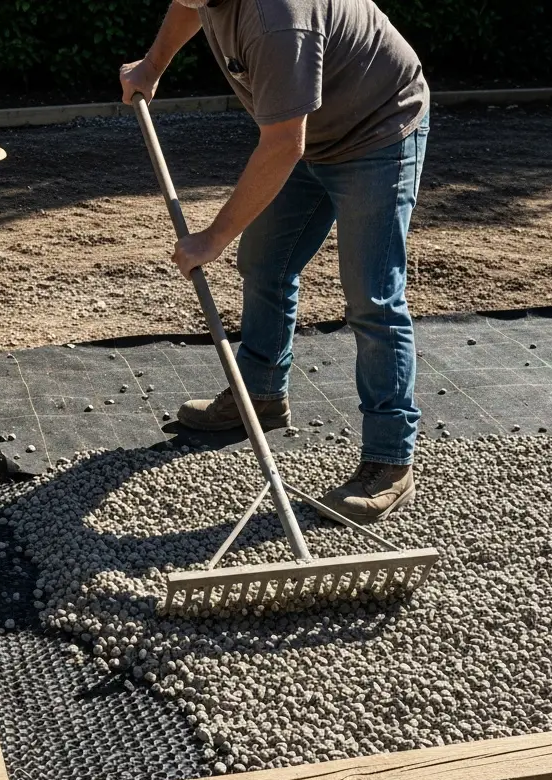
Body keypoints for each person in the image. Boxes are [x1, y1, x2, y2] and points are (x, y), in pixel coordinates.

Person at [120, 0, 429, 524]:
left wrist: (212, 237)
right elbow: (188, 8)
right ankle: (260, 396)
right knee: (264, 261)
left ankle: (390, 463)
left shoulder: (277, 19)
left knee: (372, 298)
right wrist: (152, 66)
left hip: (378, 130)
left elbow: (284, 143)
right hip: (314, 135)